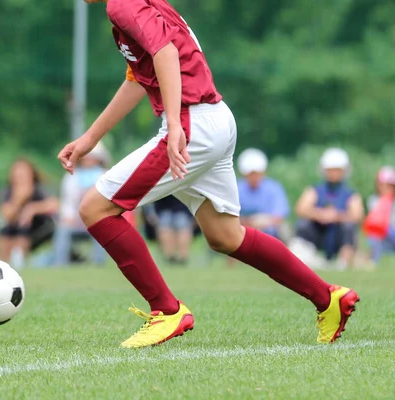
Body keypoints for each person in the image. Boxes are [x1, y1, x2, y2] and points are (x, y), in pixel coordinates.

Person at [57, 0, 358, 348]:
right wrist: (90, 139)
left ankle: (166, 310)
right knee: (225, 236)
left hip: (191, 123)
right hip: (212, 118)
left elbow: (166, 54)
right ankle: (328, 298)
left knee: (95, 208)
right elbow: (140, 80)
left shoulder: (122, 4)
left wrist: (173, 126)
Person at [294, 148, 364, 269]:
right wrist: (319, 214)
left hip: (338, 235)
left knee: (349, 226)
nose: (333, 173)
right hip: (319, 233)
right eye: (330, 170)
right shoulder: (316, 190)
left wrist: (337, 216)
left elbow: (357, 215)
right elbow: (300, 209)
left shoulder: (350, 193)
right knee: (303, 224)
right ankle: (307, 258)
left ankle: (343, 262)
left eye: (337, 170)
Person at [53, 143, 109, 266]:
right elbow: (67, 202)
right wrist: (68, 217)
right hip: (75, 220)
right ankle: (60, 264)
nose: (89, 160)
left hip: (97, 219)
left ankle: (99, 264)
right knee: (62, 229)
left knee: (101, 229)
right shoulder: (71, 176)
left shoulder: (105, 176)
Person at [0, 159, 59, 267]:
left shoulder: (38, 189)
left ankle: (19, 262)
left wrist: (33, 208)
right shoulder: (8, 192)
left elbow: (54, 204)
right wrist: (18, 199)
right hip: (14, 228)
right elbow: (6, 215)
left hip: (40, 228)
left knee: (24, 229)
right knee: (5, 231)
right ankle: (4, 264)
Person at [237, 148, 289, 239]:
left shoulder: (274, 188)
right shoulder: (237, 189)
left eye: (256, 173)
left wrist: (260, 222)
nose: (254, 177)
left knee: (284, 229)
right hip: (243, 231)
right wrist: (251, 222)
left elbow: (279, 216)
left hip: (271, 231)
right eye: (250, 173)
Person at [152, 195, 195, 265]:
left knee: (165, 229)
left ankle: (169, 256)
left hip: (164, 207)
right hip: (182, 208)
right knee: (182, 230)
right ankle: (182, 256)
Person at [365, 166, 395, 263]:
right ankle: (374, 260)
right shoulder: (373, 200)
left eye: (389, 185)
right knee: (374, 237)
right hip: (381, 236)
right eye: (383, 185)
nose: (386, 188)